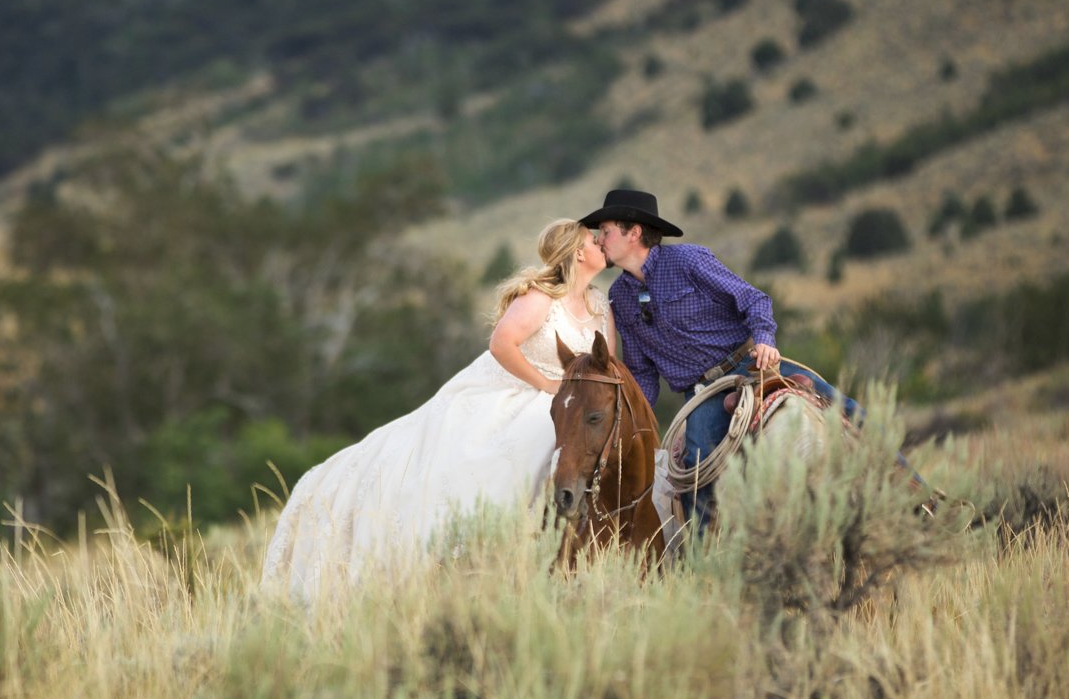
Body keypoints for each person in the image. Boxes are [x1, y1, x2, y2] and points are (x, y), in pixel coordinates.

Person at [261, 218, 613, 603]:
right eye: (595, 240)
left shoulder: (600, 305)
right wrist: (545, 385)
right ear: (579, 252)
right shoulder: (541, 299)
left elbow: (605, 367)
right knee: (531, 442)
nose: (602, 244)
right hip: (517, 389)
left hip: (573, 402)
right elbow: (502, 344)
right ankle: (503, 554)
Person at [580, 188, 858, 532]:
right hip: (703, 393)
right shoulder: (619, 297)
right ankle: (704, 559)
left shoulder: (689, 261)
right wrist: (632, 416)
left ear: (633, 232)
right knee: (695, 470)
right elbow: (642, 371)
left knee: (848, 409)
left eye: (605, 231)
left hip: (750, 364)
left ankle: (918, 499)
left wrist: (766, 341)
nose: (599, 239)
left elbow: (753, 299)